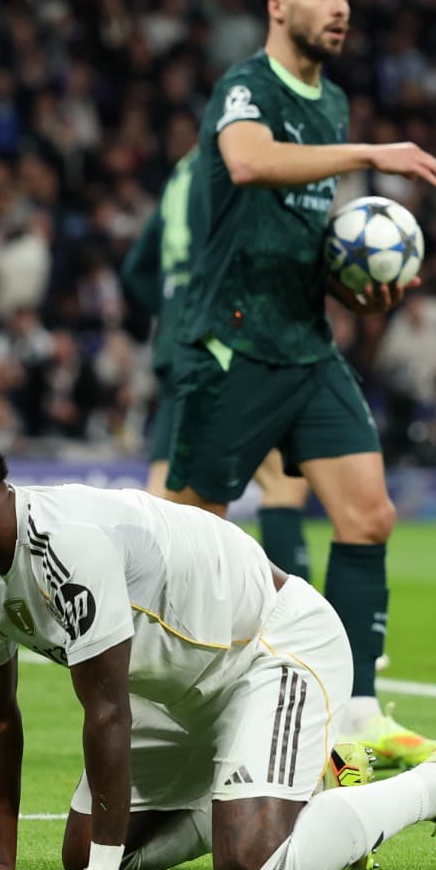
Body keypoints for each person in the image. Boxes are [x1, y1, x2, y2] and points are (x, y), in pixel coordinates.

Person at [0, 405, 436, 870]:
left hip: (271, 647)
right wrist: (0, 863)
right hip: (177, 690)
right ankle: (300, 790)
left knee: (251, 861)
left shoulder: (64, 541)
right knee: (90, 843)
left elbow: (106, 710)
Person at [158, 0, 436, 764]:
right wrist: (370, 156)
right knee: (189, 538)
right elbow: (248, 161)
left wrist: (355, 281)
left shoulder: (332, 100)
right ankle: (174, 714)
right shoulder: (247, 85)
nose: (340, 5)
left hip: (305, 342)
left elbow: (304, 226)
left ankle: (354, 714)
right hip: (234, 341)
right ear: (277, 6)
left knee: (368, 514)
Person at [119, 147, 314, 582]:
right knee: (283, 482)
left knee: (169, 491)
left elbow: (135, 269)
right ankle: (299, 622)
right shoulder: (241, 162)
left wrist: (174, 311)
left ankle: (139, 611)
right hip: (223, 337)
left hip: (176, 342)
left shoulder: (182, 170)